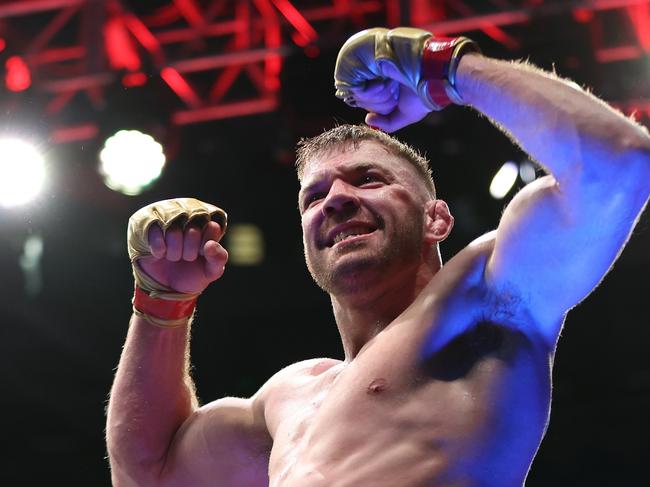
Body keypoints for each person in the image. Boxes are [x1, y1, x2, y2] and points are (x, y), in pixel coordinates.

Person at [106, 27, 650, 486]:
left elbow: (619, 165)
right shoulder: (290, 396)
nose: (337, 199)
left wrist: (446, 70)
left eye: (368, 180)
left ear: (436, 219)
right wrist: (161, 300)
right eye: (314, 196)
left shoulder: (485, 295)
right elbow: (148, 472)